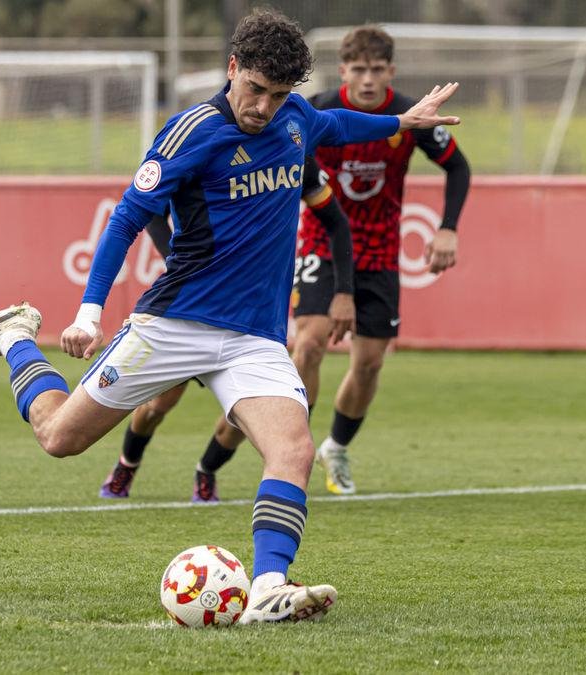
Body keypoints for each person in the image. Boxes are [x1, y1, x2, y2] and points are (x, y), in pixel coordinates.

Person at [0, 8, 459, 623]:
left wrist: (402, 120)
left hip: (254, 339)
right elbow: (127, 218)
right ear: (232, 68)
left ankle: (268, 586)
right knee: (59, 438)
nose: (264, 107)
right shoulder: (190, 132)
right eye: (254, 90)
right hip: (175, 324)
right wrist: (88, 310)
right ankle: (12, 336)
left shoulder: (295, 116)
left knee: (291, 450)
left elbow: (336, 124)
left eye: (277, 95)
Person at [197, 24, 473, 496]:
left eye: (378, 70)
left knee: (369, 362)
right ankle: (268, 453)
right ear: (344, 71)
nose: (368, 80)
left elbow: (458, 166)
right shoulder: (315, 110)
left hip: (381, 253)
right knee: (307, 347)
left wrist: (447, 227)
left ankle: (336, 448)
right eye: (359, 70)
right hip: (321, 244)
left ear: (391, 71)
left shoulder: (408, 115)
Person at [98, 170, 358, 504]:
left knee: (247, 412)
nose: (262, 114)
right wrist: (179, 261)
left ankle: (206, 471)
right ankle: (127, 465)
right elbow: (150, 212)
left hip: (249, 316)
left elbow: (335, 219)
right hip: (190, 306)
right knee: (158, 405)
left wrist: (344, 290)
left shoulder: (291, 148)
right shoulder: (207, 145)